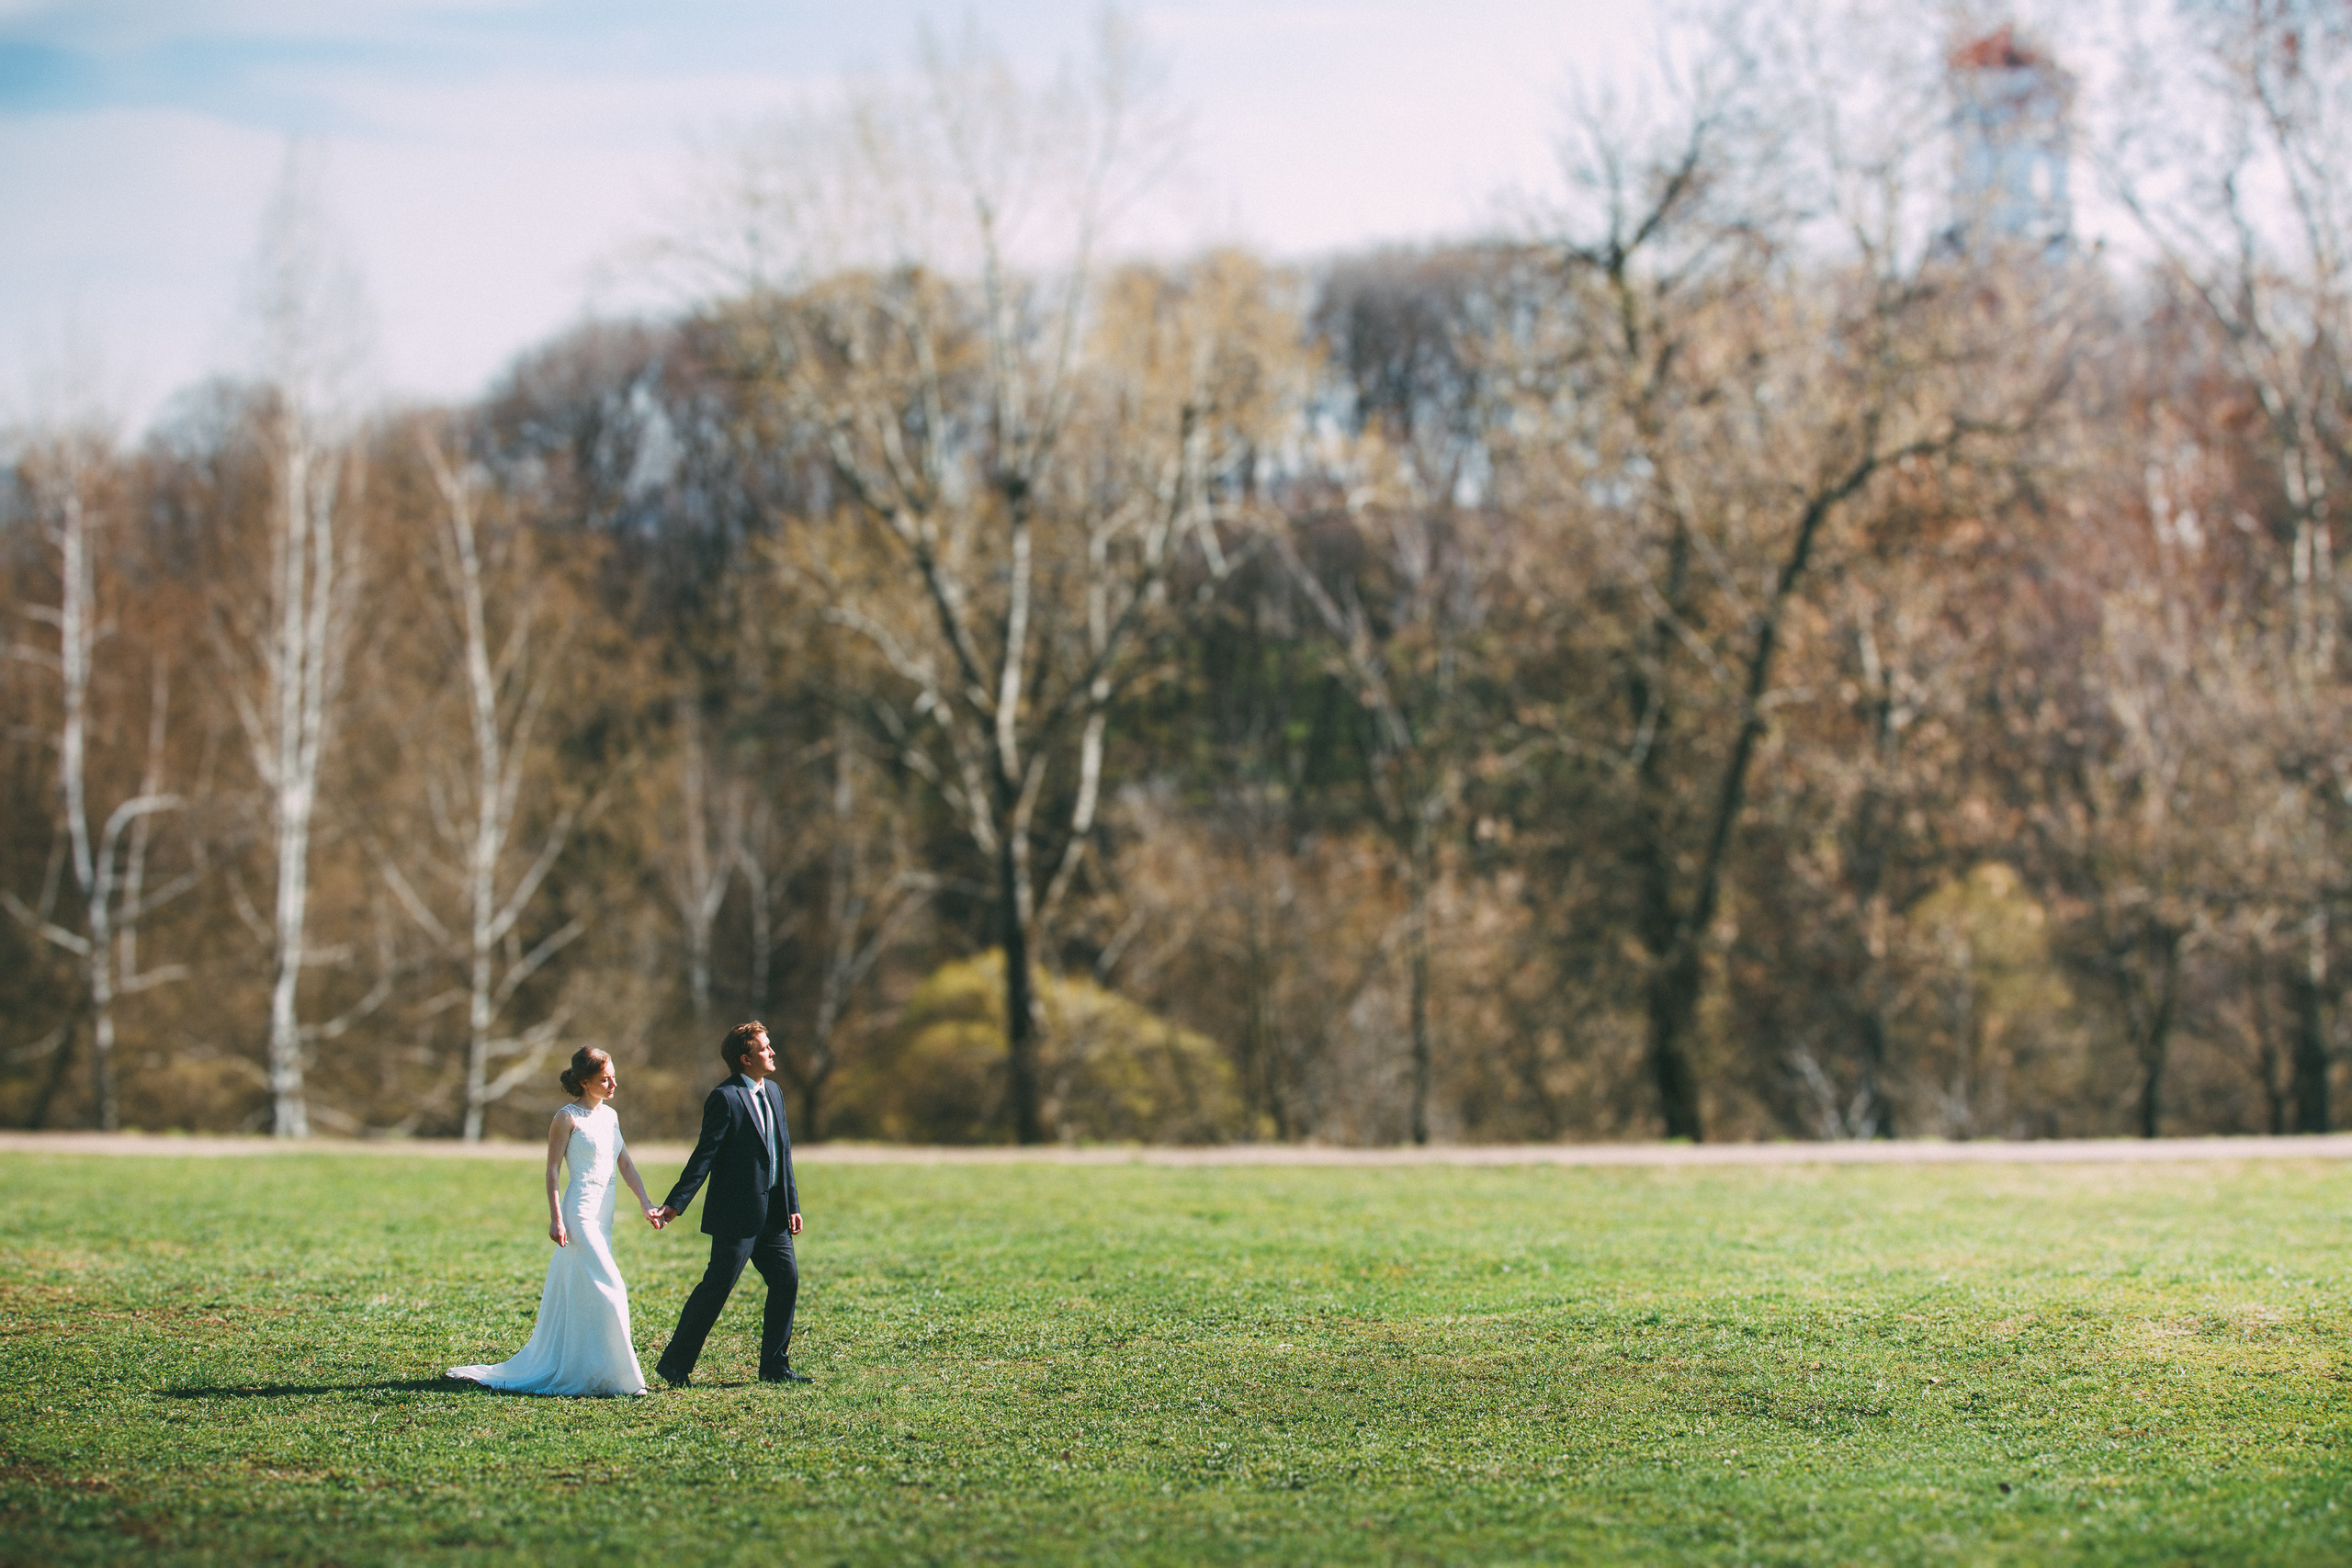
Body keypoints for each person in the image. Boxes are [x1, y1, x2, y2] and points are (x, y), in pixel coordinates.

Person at [448, 1046, 666, 1397]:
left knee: (585, 1293)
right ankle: (626, 1380)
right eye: (603, 1079)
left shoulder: (610, 1117)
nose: (612, 1083)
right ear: (584, 1082)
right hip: (578, 1213)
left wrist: (646, 1203)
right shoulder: (566, 1118)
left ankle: (596, 1372)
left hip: (604, 1214)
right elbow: (552, 1170)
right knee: (614, 1289)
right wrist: (556, 1218)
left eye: (613, 1076)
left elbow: (625, 1164)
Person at [651, 1021, 809, 1386]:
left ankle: (774, 1367)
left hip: (773, 1216)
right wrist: (677, 1202)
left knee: (787, 1281)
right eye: (764, 1048)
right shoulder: (725, 1098)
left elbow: (782, 1153)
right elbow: (704, 1156)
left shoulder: (774, 1092)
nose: (772, 1052)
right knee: (716, 1288)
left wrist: (792, 1204)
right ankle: (675, 1365)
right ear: (745, 1058)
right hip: (736, 1216)